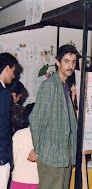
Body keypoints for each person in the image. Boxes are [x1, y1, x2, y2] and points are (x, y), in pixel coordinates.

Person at [29, 45, 78, 189]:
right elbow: (36, 119)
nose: (70, 66)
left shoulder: (65, 87)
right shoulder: (50, 85)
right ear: (58, 62)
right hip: (51, 153)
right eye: (67, 61)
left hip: (64, 153)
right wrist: (38, 149)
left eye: (73, 62)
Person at [0, 52, 18, 189]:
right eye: (13, 71)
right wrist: (6, 159)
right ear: (7, 68)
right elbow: (3, 127)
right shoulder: (4, 93)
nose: (13, 76)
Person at [11, 103, 38, 189]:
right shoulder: (45, 136)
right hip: (37, 180)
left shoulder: (19, 134)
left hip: (19, 179)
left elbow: (13, 159)